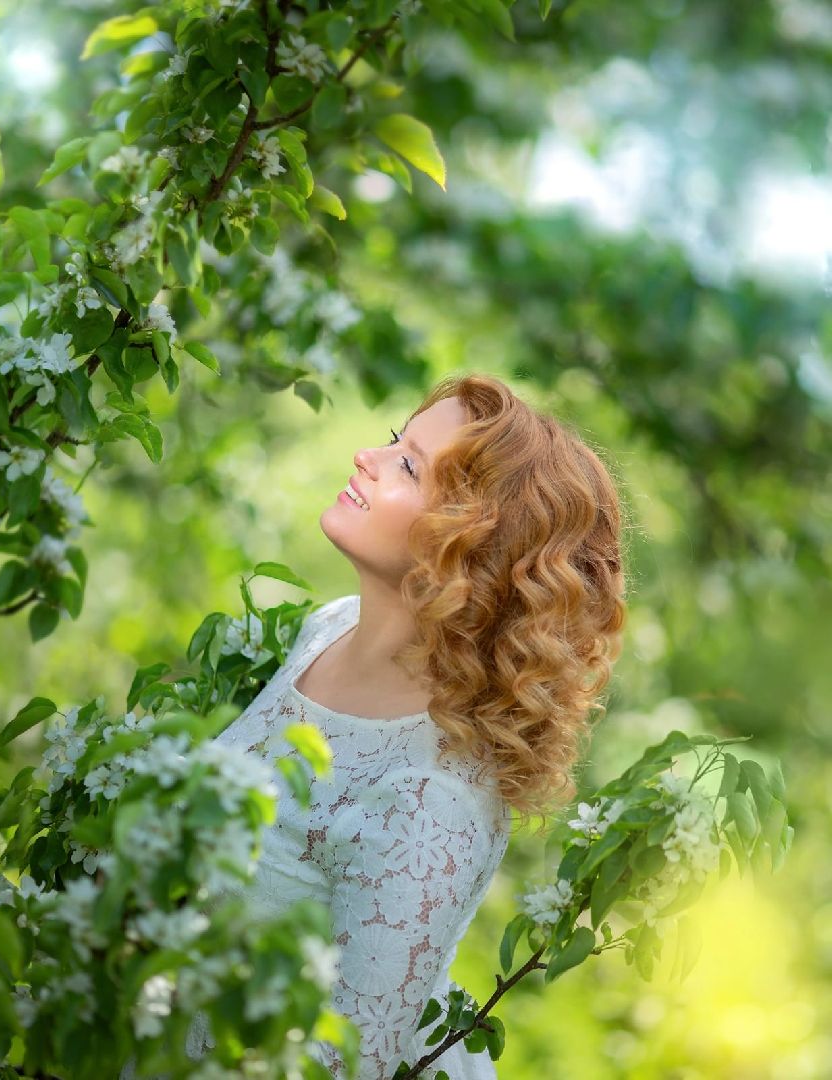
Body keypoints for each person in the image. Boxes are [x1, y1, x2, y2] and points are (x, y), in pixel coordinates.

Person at [151, 373, 627, 1078]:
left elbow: (340, 1065)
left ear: (473, 549)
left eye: (407, 465)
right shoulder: (328, 627)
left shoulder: (433, 797)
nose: (365, 459)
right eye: (393, 442)